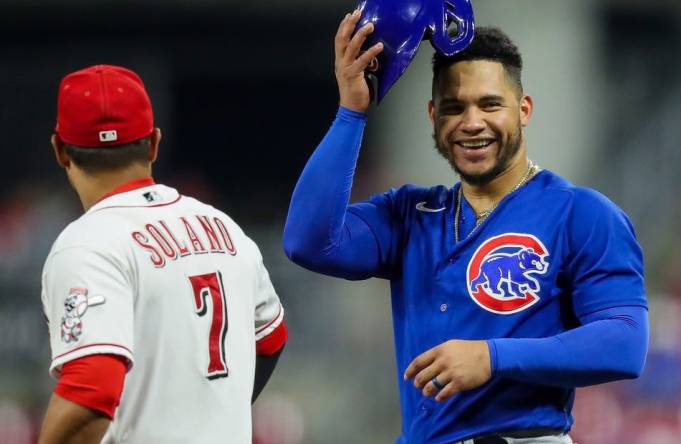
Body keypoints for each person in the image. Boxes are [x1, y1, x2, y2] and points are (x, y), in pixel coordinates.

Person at [283, 10, 648, 444]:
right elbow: (308, 241)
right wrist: (351, 112)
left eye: (490, 104)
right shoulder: (410, 213)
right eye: (454, 108)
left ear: (524, 109)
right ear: (433, 115)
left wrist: (492, 357)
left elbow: (624, 343)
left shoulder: (581, 213)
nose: (472, 123)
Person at [39, 65, 287, 444]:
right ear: (154, 143)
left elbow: (92, 387)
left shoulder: (86, 244)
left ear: (59, 150)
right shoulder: (225, 228)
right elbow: (270, 338)